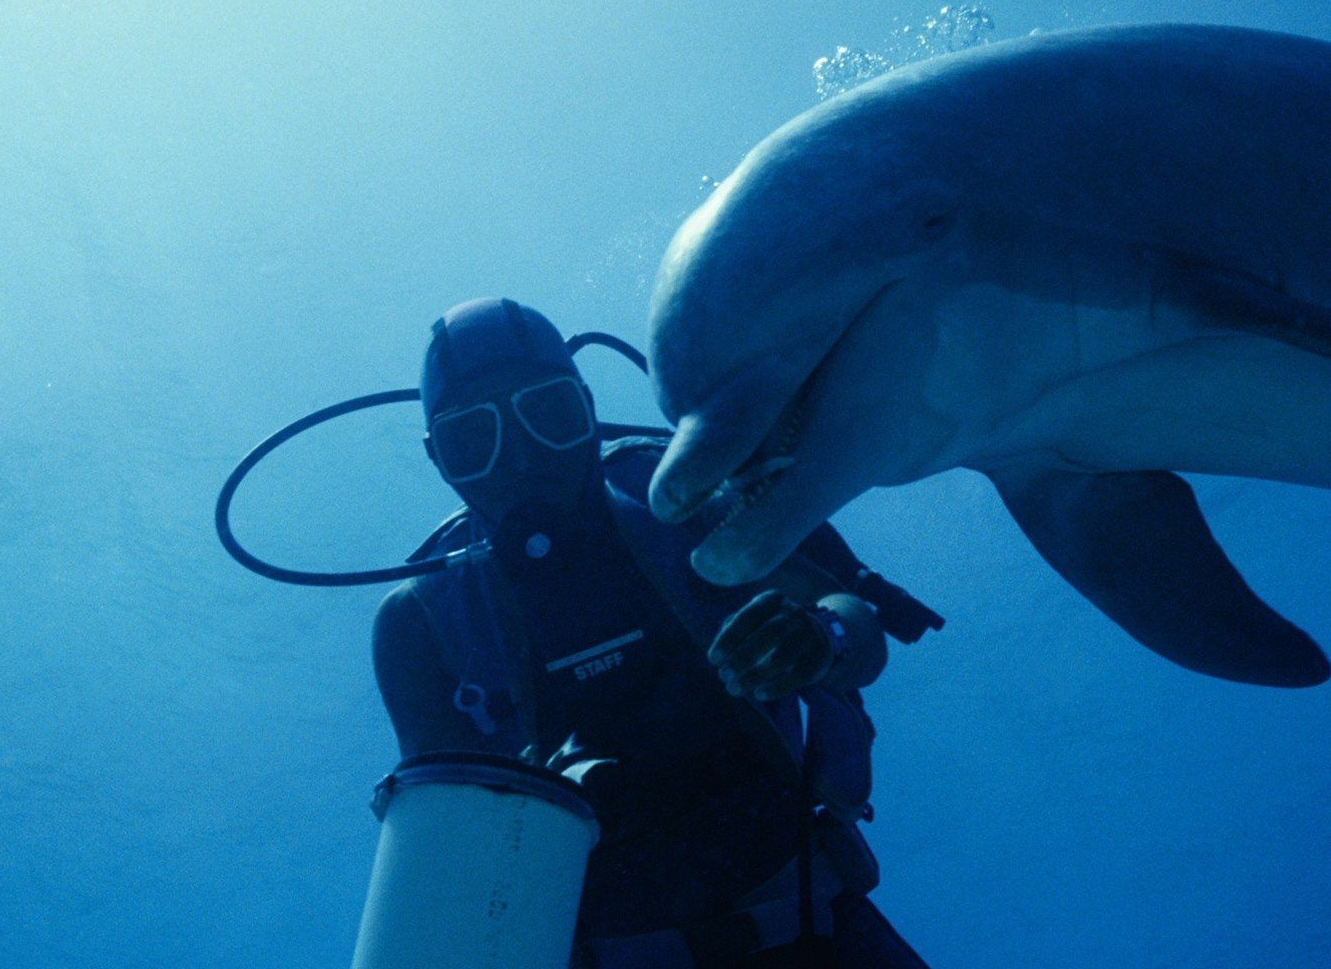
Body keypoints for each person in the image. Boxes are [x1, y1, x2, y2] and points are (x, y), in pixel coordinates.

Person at [371, 298, 934, 969]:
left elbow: (861, 631)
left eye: (547, 416)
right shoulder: (418, 625)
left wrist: (819, 637)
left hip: (812, 922)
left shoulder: (693, 500)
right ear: (441, 460)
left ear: (586, 409)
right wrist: (532, 804)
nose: (519, 459)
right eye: (474, 442)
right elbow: (440, 851)